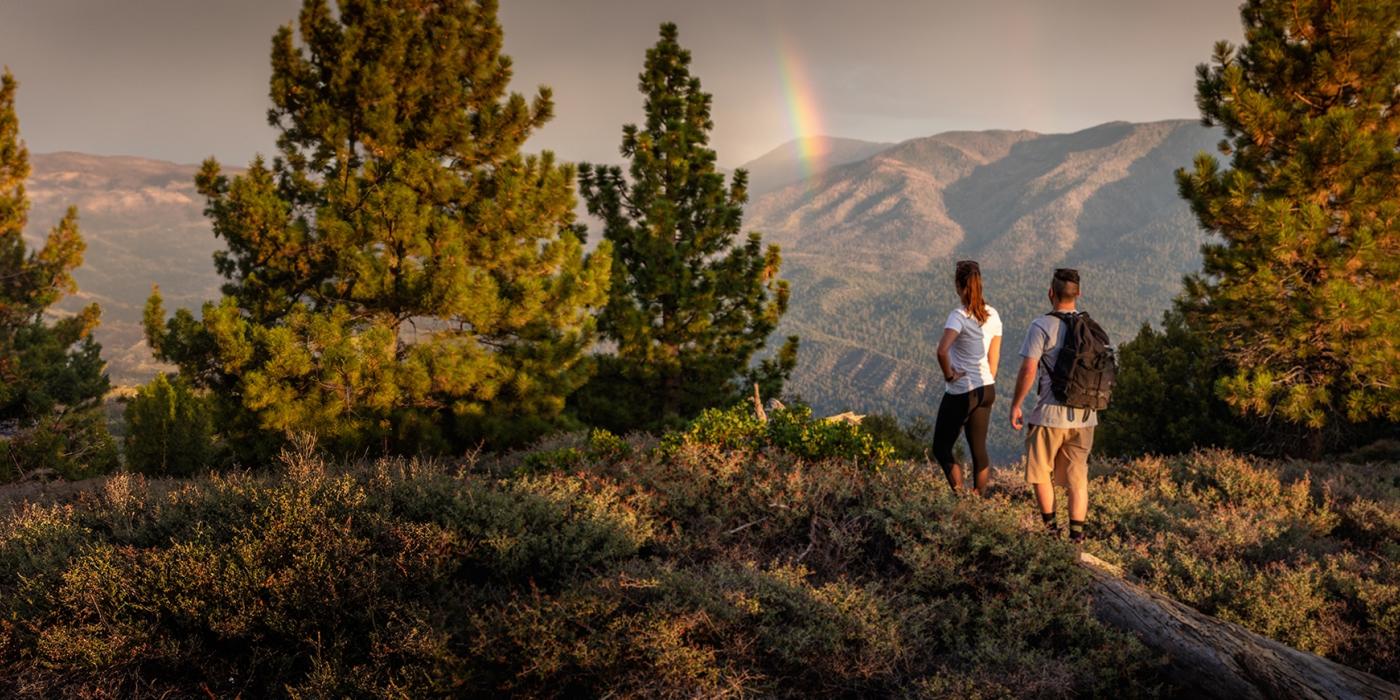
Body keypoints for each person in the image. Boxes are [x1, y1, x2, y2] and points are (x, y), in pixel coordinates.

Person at [1010, 268, 1095, 541]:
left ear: (1051, 293)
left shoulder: (1041, 326)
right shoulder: (1090, 328)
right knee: (1077, 480)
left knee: (1040, 473)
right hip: (1086, 417)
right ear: (1078, 294)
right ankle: (1077, 538)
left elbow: (1028, 370)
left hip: (1049, 414)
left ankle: (1051, 534)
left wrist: (1016, 404)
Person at [933, 260, 1002, 494]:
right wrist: (986, 379)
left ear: (958, 286)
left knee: (941, 447)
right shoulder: (993, 315)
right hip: (986, 389)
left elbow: (942, 351)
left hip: (962, 390)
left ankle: (961, 497)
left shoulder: (959, 316)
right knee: (979, 450)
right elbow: (994, 358)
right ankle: (977, 502)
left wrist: (949, 375)